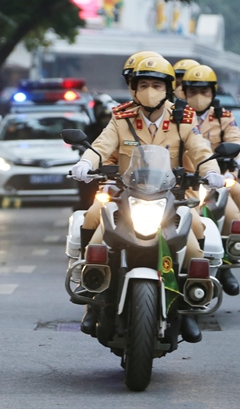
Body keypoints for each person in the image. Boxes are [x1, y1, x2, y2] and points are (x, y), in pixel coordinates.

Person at [70, 56, 224, 343]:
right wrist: (85, 162)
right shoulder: (121, 117)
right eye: (144, 84)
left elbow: (201, 149)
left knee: (198, 236)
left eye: (156, 84)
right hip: (123, 195)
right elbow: (101, 146)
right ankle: (91, 295)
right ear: (133, 87)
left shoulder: (183, 118)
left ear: (167, 88)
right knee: (93, 220)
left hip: (171, 197)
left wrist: (211, 171)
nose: (150, 90)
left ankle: (189, 307)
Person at [181, 64, 240, 295]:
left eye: (204, 91)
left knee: (236, 205)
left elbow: (236, 140)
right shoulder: (177, 116)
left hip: (219, 179)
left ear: (213, 92)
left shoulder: (223, 117)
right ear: (183, 92)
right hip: (184, 180)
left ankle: (226, 265)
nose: (198, 97)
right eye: (192, 91)